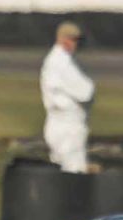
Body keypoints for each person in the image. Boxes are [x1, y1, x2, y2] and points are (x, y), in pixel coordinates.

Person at [40, 21, 95, 173]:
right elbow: (86, 92)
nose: (75, 44)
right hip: (68, 125)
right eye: (73, 39)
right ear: (63, 39)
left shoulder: (53, 59)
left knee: (59, 172)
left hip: (56, 122)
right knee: (74, 172)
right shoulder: (61, 62)